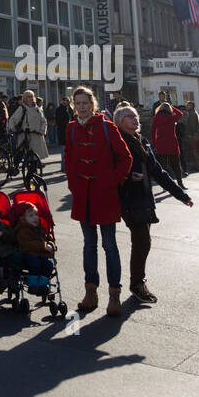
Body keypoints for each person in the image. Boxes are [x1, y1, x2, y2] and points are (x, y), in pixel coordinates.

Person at [63, 85, 132, 316]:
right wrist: (73, 184)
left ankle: (114, 294)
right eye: (78, 104)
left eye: (86, 103)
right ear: (74, 105)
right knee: (89, 245)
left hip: (105, 196)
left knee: (109, 245)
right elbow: (69, 158)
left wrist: (112, 181)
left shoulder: (107, 127)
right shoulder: (71, 128)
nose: (82, 107)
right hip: (83, 197)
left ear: (92, 104)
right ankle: (91, 292)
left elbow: (126, 158)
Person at [114, 103, 193, 304]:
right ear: (119, 122)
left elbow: (158, 171)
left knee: (142, 242)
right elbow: (112, 171)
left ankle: (138, 283)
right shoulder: (118, 142)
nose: (135, 118)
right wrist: (130, 177)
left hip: (145, 197)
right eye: (129, 116)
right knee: (142, 241)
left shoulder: (141, 140)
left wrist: (180, 194)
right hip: (130, 199)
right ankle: (137, 284)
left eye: (135, 115)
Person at [12, 201, 56, 284]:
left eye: (36, 214)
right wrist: (44, 246)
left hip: (42, 253)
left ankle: (43, 284)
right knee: (35, 264)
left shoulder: (40, 228)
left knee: (49, 264)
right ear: (23, 218)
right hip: (29, 253)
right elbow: (28, 244)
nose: (35, 217)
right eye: (31, 215)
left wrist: (51, 245)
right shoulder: (22, 230)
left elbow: (48, 238)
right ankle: (33, 284)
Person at [6, 89, 48, 165]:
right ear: (25, 98)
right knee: (22, 153)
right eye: (28, 97)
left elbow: (43, 121)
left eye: (32, 96)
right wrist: (12, 127)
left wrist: (43, 130)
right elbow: (12, 119)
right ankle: (15, 166)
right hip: (25, 135)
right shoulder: (22, 108)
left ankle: (32, 173)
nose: (31, 98)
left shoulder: (37, 109)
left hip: (37, 135)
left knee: (35, 156)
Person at [151, 102, 185, 187]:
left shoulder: (156, 117)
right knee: (176, 165)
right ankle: (180, 184)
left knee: (163, 167)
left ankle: (166, 185)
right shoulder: (172, 117)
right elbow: (180, 114)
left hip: (161, 143)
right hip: (172, 142)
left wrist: (155, 143)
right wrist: (172, 107)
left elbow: (152, 131)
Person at [183, 100, 199, 172]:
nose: (186, 106)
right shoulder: (194, 112)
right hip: (197, 134)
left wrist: (191, 134)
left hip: (194, 135)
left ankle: (198, 166)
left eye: (188, 105)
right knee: (198, 150)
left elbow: (192, 125)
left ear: (191, 106)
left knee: (195, 150)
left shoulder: (192, 114)